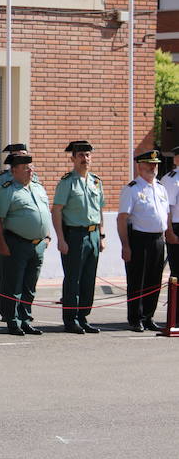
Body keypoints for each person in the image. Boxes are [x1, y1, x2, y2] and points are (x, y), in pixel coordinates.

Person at [52, 141, 106, 334]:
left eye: (88, 155)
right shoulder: (67, 182)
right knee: (73, 278)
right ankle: (70, 319)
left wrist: (101, 235)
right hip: (74, 235)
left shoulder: (96, 181)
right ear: (73, 158)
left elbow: (99, 209)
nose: (85, 159)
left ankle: (83, 317)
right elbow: (57, 210)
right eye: (81, 155)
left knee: (88, 279)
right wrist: (60, 238)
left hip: (92, 235)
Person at [0, 154, 49, 335]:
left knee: (29, 287)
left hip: (38, 245)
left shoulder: (38, 188)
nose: (30, 170)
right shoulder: (7, 190)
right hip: (16, 243)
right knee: (14, 286)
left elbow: (44, 213)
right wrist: (1, 243)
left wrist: (47, 237)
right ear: (14, 170)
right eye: (26, 167)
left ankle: (25, 319)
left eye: (31, 166)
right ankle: (13, 321)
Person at [118, 150, 169, 333]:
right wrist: (125, 245)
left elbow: (165, 215)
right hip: (139, 239)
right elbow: (122, 218)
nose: (153, 167)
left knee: (154, 281)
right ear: (139, 166)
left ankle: (148, 316)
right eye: (149, 164)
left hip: (157, 239)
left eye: (155, 164)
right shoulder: (132, 189)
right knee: (137, 280)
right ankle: (135, 319)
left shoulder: (161, 188)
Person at [160, 146, 179, 280]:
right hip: (176, 227)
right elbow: (166, 208)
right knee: (177, 273)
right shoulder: (171, 179)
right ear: (176, 159)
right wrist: (169, 232)